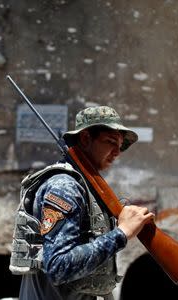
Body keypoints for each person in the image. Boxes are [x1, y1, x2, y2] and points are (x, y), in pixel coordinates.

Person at [9, 106, 155, 300]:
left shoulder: (87, 186)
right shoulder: (64, 187)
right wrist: (122, 233)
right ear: (86, 138)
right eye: (111, 142)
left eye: (120, 146)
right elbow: (59, 266)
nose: (117, 152)